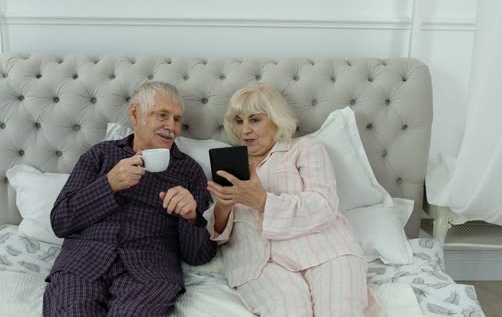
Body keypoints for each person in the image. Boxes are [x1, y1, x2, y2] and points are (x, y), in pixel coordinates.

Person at [204, 83, 385, 317]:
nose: (245, 130)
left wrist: (262, 201)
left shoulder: (305, 149)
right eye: (239, 121)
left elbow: (324, 205)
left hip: (326, 251)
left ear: (276, 120)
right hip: (261, 264)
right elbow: (217, 233)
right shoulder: (229, 166)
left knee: (339, 311)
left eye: (255, 120)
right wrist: (223, 208)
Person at [43, 81, 217, 316]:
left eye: (176, 119)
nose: (171, 127)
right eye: (162, 115)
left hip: (149, 272)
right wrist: (108, 184)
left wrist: (192, 217)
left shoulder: (189, 171)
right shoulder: (100, 155)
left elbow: (198, 256)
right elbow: (60, 221)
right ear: (135, 113)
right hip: (83, 262)